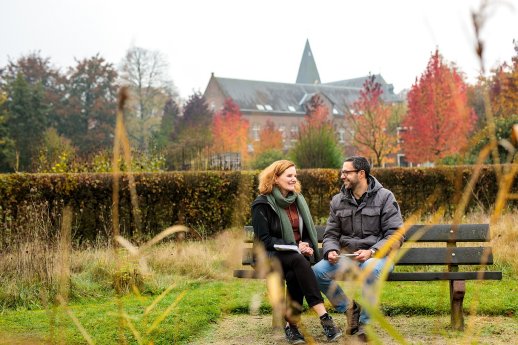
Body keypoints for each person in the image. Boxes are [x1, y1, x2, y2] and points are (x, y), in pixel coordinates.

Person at [312, 156, 404, 342]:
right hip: (347, 258)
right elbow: (331, 234)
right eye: (342, 172)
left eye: (346, 172)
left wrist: (372, 251)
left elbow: (395, 235)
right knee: (317, 272)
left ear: (361, 174)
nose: (342, 176)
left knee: (369, 267)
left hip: (378, 258)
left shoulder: (385, 197)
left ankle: (365, 325)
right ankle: (350, 309)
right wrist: (330, 250)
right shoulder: (338, 201)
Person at [252, 160, 342, 344]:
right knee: (298, 260)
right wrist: (295, 247)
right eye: (289, 176)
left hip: (294, 258)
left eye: (295, 175)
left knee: (295, 271)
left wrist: (307, 245)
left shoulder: (297, 200)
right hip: (269, 256)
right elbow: (265, 240)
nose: (294, 179)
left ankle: (291, 327)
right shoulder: (262, 203)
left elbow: (305, 233)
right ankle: (325, 318)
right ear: (275, 178)